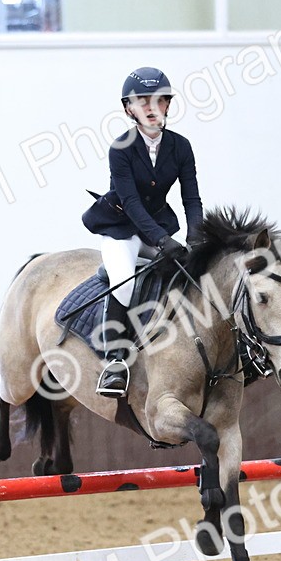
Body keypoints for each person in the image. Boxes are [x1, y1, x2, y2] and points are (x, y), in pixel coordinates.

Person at [81, 67, 203, 398]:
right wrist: (162, 241)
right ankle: (115, 361)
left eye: (159, 100)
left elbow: (190, 197)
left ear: (167, 106)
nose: (151, 107)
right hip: (121, 227)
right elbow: (131, 203)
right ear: (129, 109)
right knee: (125, 279)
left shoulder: (181, 147)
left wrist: (196, 238)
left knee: (189, 273)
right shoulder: (121, 148)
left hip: (159, 223)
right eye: (142, 101)